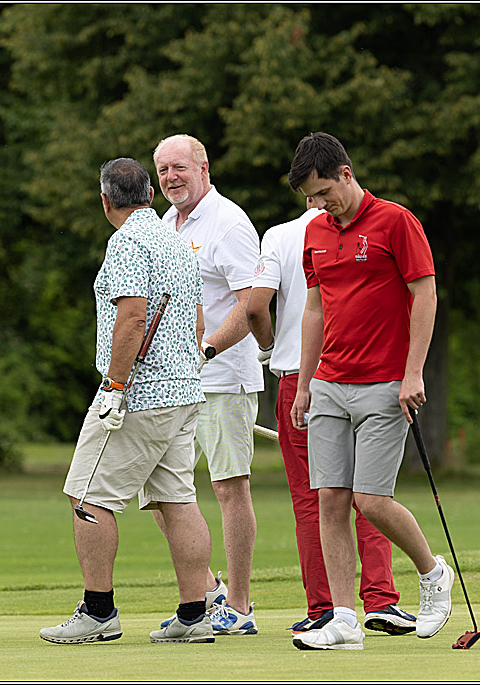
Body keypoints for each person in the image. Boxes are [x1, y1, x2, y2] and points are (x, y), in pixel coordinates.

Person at [285, 132, 453, 651]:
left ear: (346, 174)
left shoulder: (397, 222)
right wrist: (305, 382)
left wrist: (414, 372)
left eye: (322, 193)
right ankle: (342, 618)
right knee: (330, 498)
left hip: (385, 383)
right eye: (310, 199)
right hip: (330, 383)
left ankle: (432, 573)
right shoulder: (315, 233)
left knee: (371, 500)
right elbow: (314, 309)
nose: (317, 205)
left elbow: (424, 295)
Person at [40, 158, 215, 645]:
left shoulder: (125, 243)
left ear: (104, 201)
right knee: (177, 500)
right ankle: (194, 613)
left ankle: (98, 613)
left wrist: (114, 388)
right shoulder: (175, 242)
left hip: (139, 393)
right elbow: (198, 322)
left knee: (88, 497)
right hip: (183, 392)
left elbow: (132, 319)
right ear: (150, 196)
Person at [246, 197, 417, 638]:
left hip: (300, 379)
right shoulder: (325, 232)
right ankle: (377, 601)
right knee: (365, 496)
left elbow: (255, 308)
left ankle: (325, 607)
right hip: (335, 378)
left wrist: (267, 349)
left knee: (321, 500)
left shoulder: (279, 234)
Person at [150, 134, 263, 636]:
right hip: (171, 382)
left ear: (203, 167)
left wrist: (208, 348)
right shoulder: (161, 225)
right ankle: (207, 591)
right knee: (162, 488)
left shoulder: (229, 222)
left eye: (179, 167)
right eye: (162, 170)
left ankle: (238, 607)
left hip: (222, 377)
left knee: (228, 487)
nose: (171, 177)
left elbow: (250, 302)